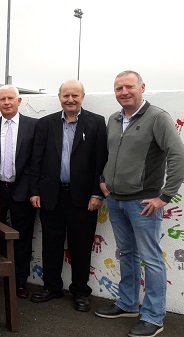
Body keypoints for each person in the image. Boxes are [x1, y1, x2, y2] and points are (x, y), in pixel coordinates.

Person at [95, 71, 184, 337]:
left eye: (129, 86)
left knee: (151, 259)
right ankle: (127, 304)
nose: (124, 92)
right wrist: (103, 179)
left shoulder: (157, 117)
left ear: (142, 87)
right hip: (116, 200)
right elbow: (110, 154)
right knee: (127, 254)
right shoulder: (114, 119)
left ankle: (154, 317)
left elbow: (177, 155)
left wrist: (164, 196)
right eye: (118, 87)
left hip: (143, 202)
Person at [29, 80, 108, 312]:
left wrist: (97, 193)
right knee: (51, 244)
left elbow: (100, 161)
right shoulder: (45, 123)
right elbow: (37, 159)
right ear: (59, 97)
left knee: (81, 246)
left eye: (75, 95)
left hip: (84, 199)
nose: (70, 99)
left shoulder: (96, 123)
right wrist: (34, 190)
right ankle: (52, 287)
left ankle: (81, 292)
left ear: (82, 96)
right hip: (51, 196)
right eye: (66, 95)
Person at [0, 85, 37, 299]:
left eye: (10, 99)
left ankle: (20, 280)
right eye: (2, 99)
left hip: (23, 191)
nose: (7, 103)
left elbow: (37, 162)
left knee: (22, 238)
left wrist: (34, 190)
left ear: (19, 101)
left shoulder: (34, 126)